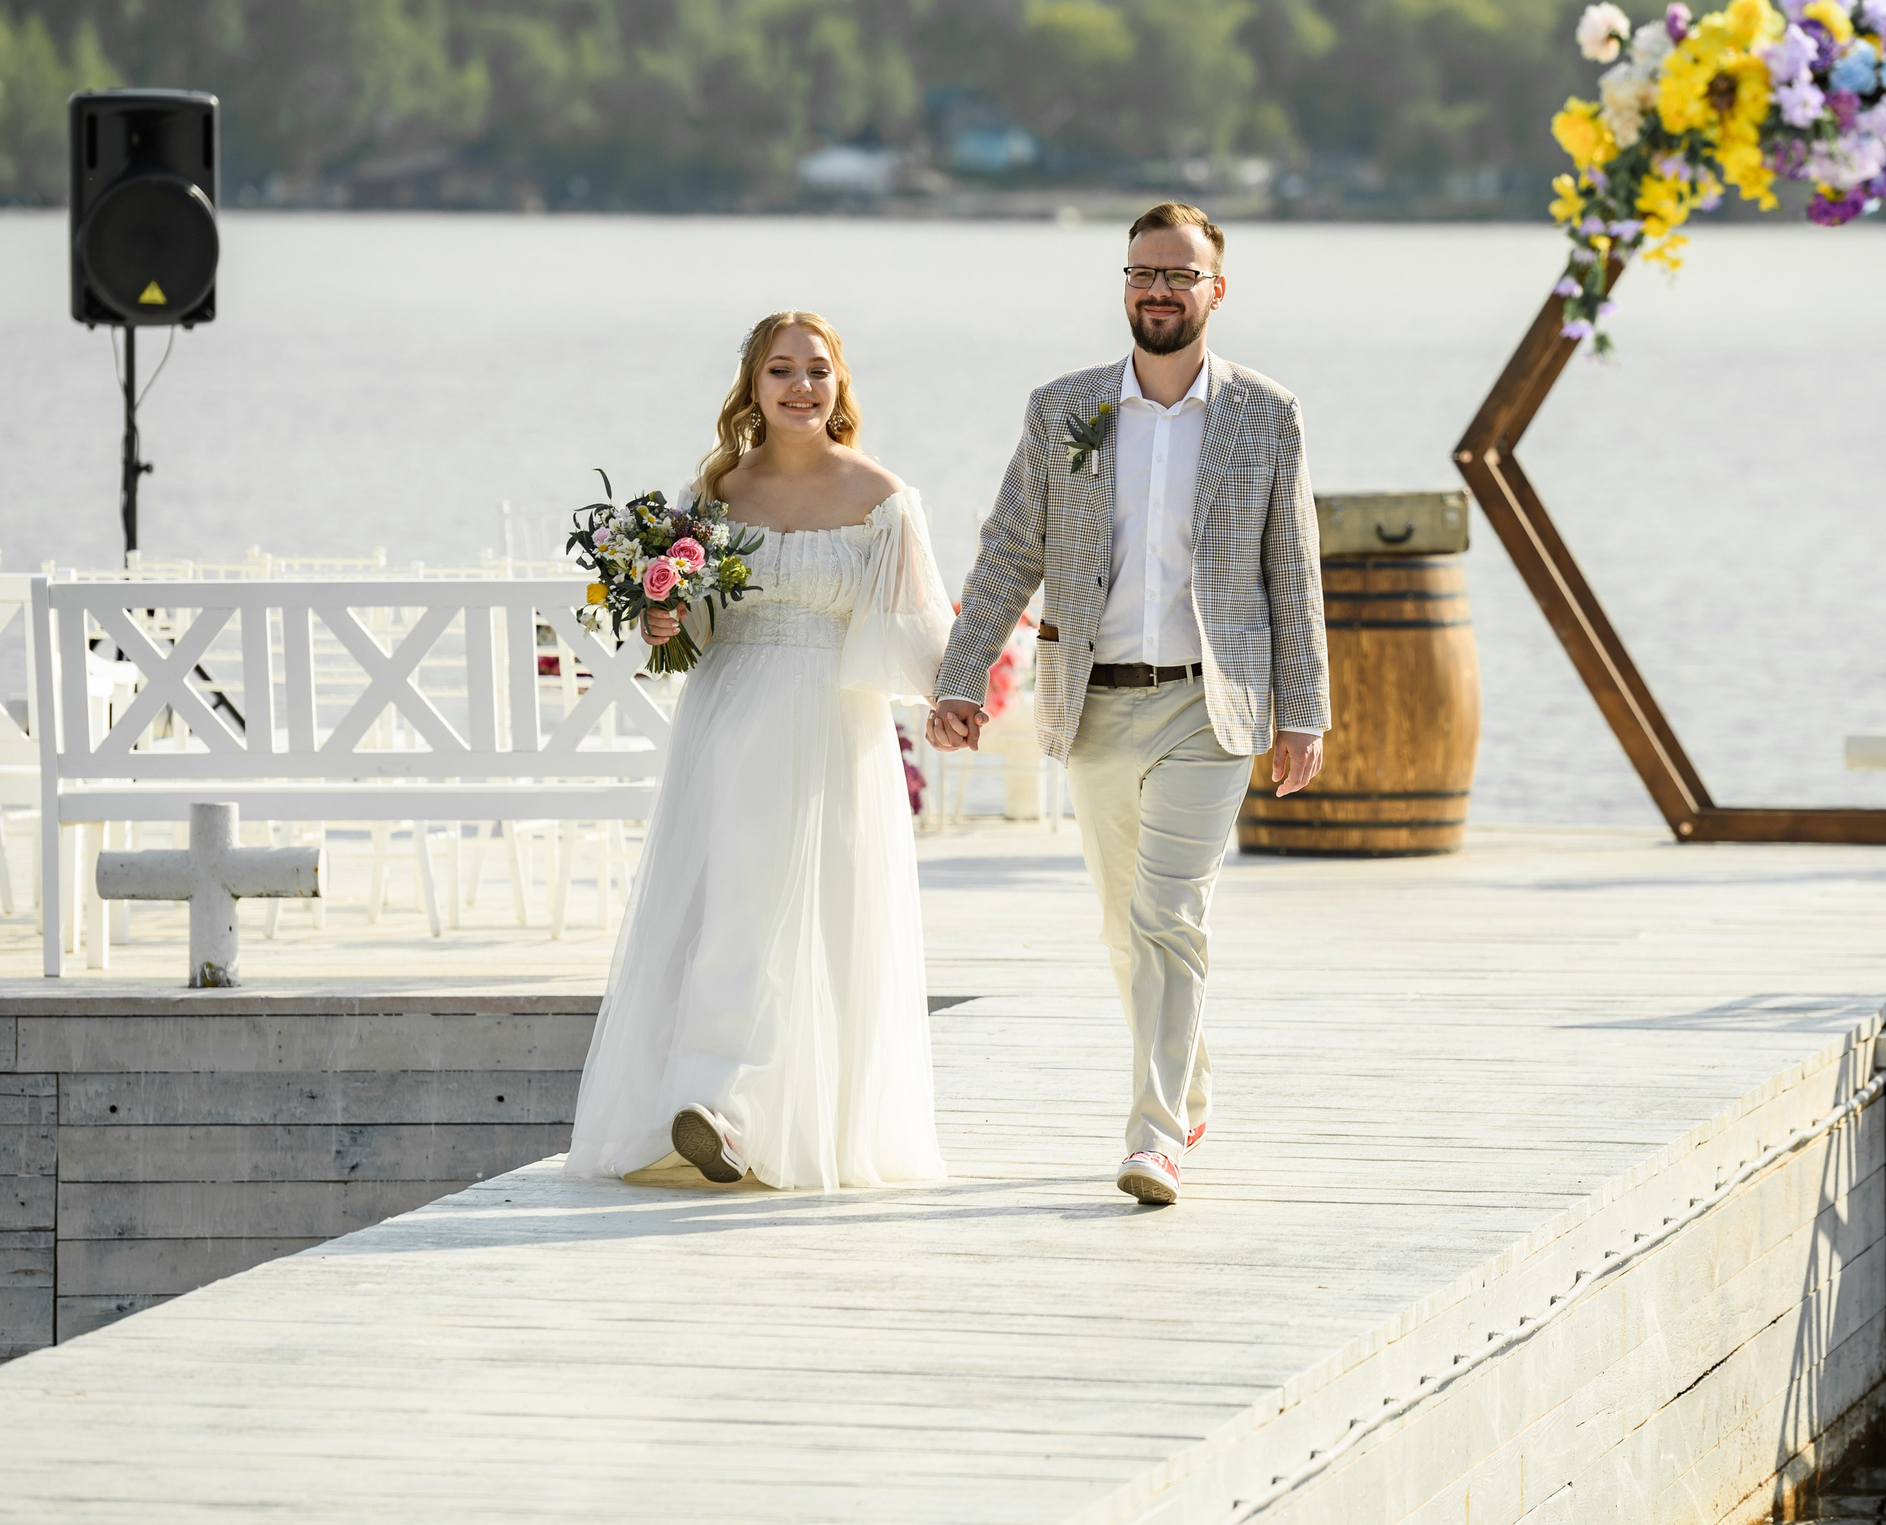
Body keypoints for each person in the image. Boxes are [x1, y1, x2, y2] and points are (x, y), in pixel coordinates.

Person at [928, 202, 1329, 1207]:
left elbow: (1294, 566)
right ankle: (1186, 1078)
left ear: (1215, 290)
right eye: (1143, 272)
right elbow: (1011, 548)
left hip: (1211, 707)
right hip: (1094, 705)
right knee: (1123, 926)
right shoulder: (1066, 409)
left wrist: (1304, 708)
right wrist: (960, 673)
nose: (1158, 289)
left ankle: (1153, 1137)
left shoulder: (1264, 413)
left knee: (1166, 914)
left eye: (1179, 275)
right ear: (1125, 284)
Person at [565, 310, 951, 1192]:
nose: (801, 386)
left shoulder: (883, 499)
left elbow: (921, 633)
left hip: (831, 725)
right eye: (782, 370)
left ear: (839, 384)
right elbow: (694, 633)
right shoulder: (716, 498)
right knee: (727, 911)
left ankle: (762, 1114)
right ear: (754, 386)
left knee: (809, 917)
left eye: (818, 370)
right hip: (729, 722)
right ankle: (711, 1107)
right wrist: (665, 616)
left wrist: (951, 700)